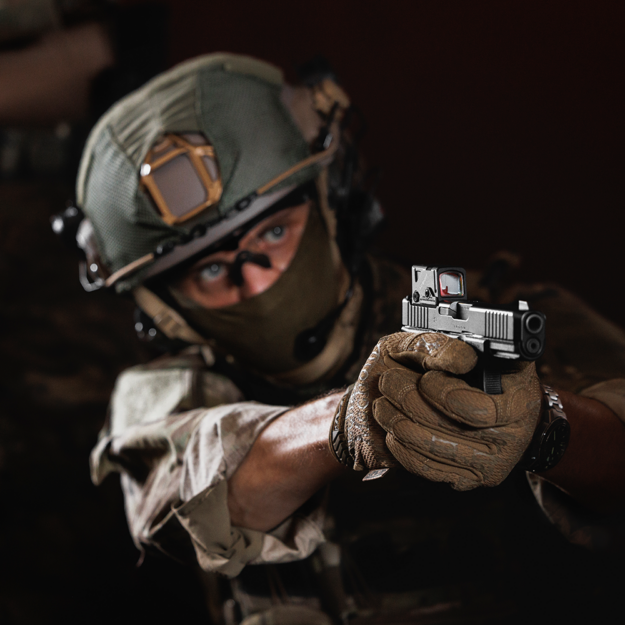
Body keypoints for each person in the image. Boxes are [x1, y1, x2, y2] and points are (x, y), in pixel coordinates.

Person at [56, 53, 625, 624]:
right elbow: (202, 496)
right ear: (165, 306)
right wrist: (348, 421)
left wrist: (544, 428)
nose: (256, 283)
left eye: (274, 232)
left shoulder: (496, 312)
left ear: (331, 202)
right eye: (208, 270)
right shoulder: (163, 394)